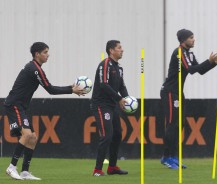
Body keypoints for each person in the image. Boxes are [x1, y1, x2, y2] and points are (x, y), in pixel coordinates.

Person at [3, 42, 85, 180]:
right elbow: (50, 89)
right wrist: (71, 90)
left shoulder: (35, 68)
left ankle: (25, 172)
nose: (48, 55)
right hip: (14, 105)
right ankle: (11, 167)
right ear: (37, 54)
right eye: (45, 52)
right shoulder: (34, 69)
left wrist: (70, 88)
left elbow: (50, 87)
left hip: (21, 106)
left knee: (33, 137)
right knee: (27, 135)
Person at [160, 29, 217, 169]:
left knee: (180, 125)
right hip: (170, 92)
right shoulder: (179, 52)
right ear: (183, 40)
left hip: (178, 92)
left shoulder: (189, 53)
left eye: (193, 37)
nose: (193, 39)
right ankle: (167, 157)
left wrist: (213, 63)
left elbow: (200, 70)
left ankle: (173, 157)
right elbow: (191, 70)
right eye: (191, 38)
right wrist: (208, 61)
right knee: (172, 125)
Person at [90, 40, 129, 176]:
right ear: (111, 50)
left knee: (117, 134)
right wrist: (119, 99)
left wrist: (128, 100)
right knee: (107, 136)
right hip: (101, 105)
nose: (122, 50)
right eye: (119, 48)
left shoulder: (119, 68)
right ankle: (97, 170)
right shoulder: (105, 64)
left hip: (112, 105)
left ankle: (112, 167)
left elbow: (121, 87)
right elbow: (104, 85)